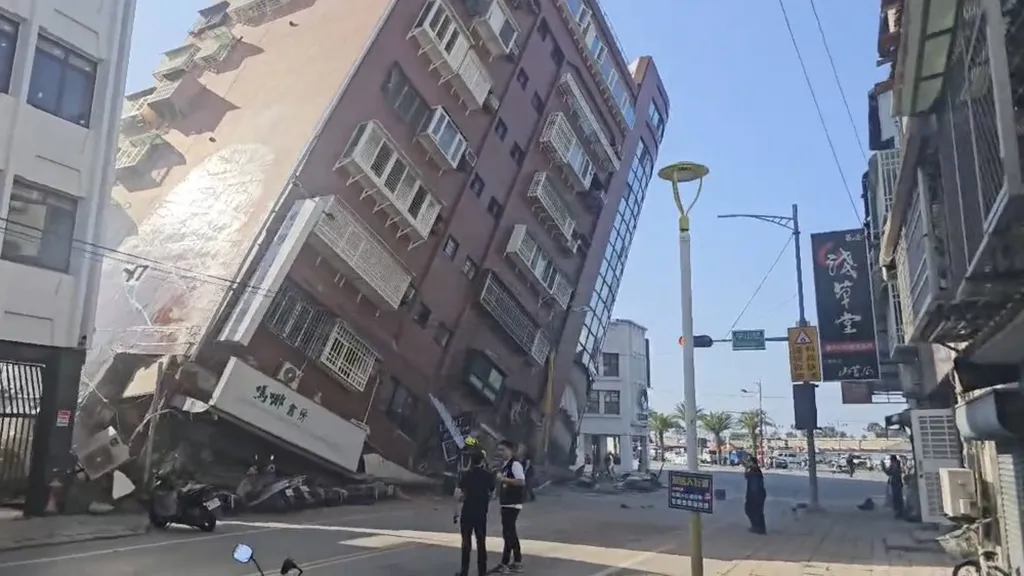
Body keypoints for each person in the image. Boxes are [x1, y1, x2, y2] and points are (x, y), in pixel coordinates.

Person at [454, 450, 494, 576]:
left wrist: (456, 513)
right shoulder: (488, 475)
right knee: (481, 543)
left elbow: (457, 495)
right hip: (481, 514)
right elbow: (492, 493)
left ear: (471, 461)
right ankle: (482, 572)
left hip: (467, 513)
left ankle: (464, 572)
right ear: (482, 461)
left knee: (466, 543)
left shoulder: (465, 475)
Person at [494, 439, 526, 573]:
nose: (500, 452)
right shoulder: (505, 465)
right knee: (510, 533)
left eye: (503, 450)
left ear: (511, 451)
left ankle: (506, 562)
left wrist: (504, 479)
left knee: (508, 533)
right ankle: (516, 561)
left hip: (512, 503)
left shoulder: (515, 465)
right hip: (507, 503)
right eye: (499, 450)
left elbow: (521, 481)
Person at [743, 455, 767, 534]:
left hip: (756, 494)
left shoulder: (755, 471)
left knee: (753, 510)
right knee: (756, 511)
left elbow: (754, 485)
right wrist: (746, 468)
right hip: (757, 494)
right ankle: (759, 527)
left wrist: (753, 496)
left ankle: (758, 528)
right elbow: (746, 476)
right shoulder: (754, 470)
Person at [885, 454, 904, 519]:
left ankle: (898, 512)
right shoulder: (897, 464)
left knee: (896, 498)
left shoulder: (894, 465)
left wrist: (883, 467)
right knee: (898, 498)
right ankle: (899, 512)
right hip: (897, 483)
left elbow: (889, 472)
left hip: (896, 483)